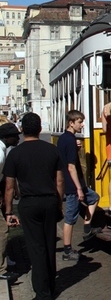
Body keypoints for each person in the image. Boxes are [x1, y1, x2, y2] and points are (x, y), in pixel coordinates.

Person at [3, 113, 64, 299]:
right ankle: (51, 285)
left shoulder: (15, 153)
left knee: (35, 247)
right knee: (49, 245)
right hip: (49, 200)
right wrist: (58, 203)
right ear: (39, 129)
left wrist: (8, 211)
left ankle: (42, 291)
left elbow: (9, 186)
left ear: (22, 130)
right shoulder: (52, 150)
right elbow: (60, 181)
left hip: (29, 203)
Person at [57, 110, 101, 262]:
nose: (82, 125)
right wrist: (78, 188)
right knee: (70, 219)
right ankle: (67, 250)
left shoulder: (65, 138)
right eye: (80, 122)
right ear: (71, 123)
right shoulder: (69, 140)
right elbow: (70, 167)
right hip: (72, 186)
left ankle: (87, 227)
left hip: (74, 184)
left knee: (94, 197)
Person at [0, 122, 20, 283]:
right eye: (15, 136)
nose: (18, 139)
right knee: (2, 231)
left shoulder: (3, 150)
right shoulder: (0, 154)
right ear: (7, 138)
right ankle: (1, 269)